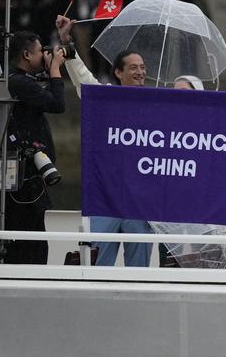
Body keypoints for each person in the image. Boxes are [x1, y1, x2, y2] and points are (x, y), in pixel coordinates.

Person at [57, 14, 154, 267]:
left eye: (143, 68)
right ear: (118, 72)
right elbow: (82, 79)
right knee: (98, 269)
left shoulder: (156, 106)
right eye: (133, 68)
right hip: (105, 197)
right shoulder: (106, 99)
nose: (140, 72)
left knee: (139, 272)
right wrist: (67, 42)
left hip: (139, 201)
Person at [0, 31, 66, 264]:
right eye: (39, 52)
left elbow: (41, 92)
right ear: (26, 55)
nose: (43, 55)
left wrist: (60, 43)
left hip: (25, 174)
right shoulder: (19, 83)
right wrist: (55, 69)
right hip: (24, 179)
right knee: (30, 242)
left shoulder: (14, 80)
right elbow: (57, 104)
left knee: (29, 236)